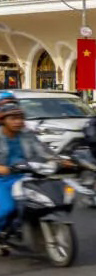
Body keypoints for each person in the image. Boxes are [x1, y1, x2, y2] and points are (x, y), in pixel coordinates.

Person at [0, 101, 49, 238]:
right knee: (7, 209)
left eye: (20, 118)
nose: (18, 122)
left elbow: (43, 151)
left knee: (45, 202)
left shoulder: (27, 134)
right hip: (4, 179)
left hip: (27, 176)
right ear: (3, 120)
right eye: (13, 118)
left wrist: (61, 161)